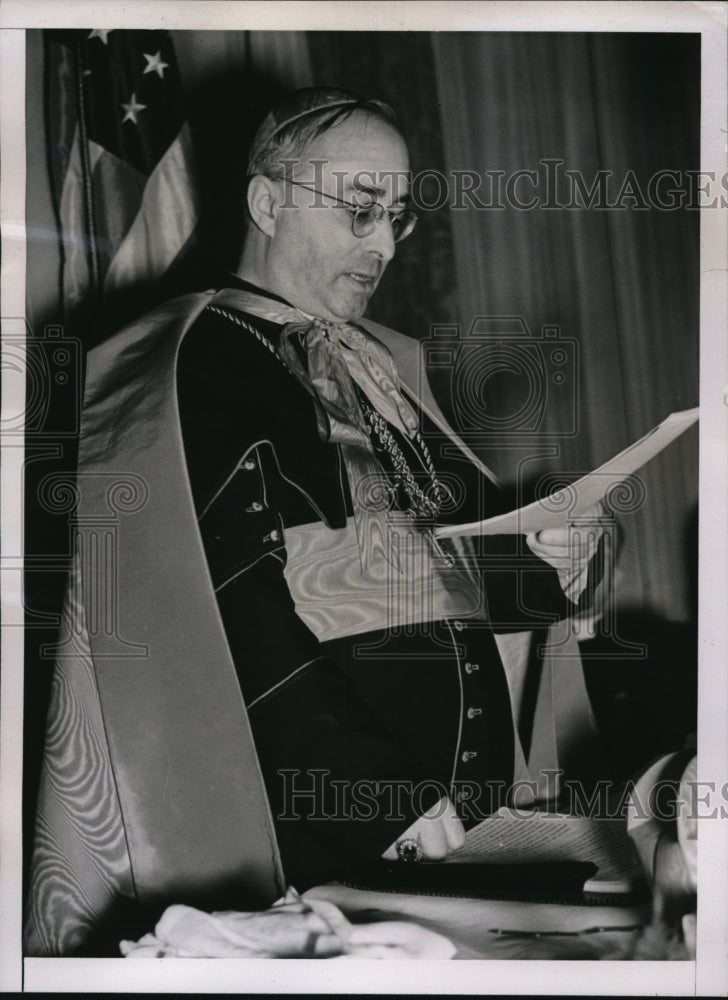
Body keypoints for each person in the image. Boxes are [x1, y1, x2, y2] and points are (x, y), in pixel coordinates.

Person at [25, 86, 605, 954]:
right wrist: (378, 798)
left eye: (397, 218)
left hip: (461, 820)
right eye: (360, 211)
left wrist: (558, 558)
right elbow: (222, 611)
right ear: (267, 203)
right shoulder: (198, 363)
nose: (382, 246)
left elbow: (464, 574)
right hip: (318, 826)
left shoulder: (382, 366)